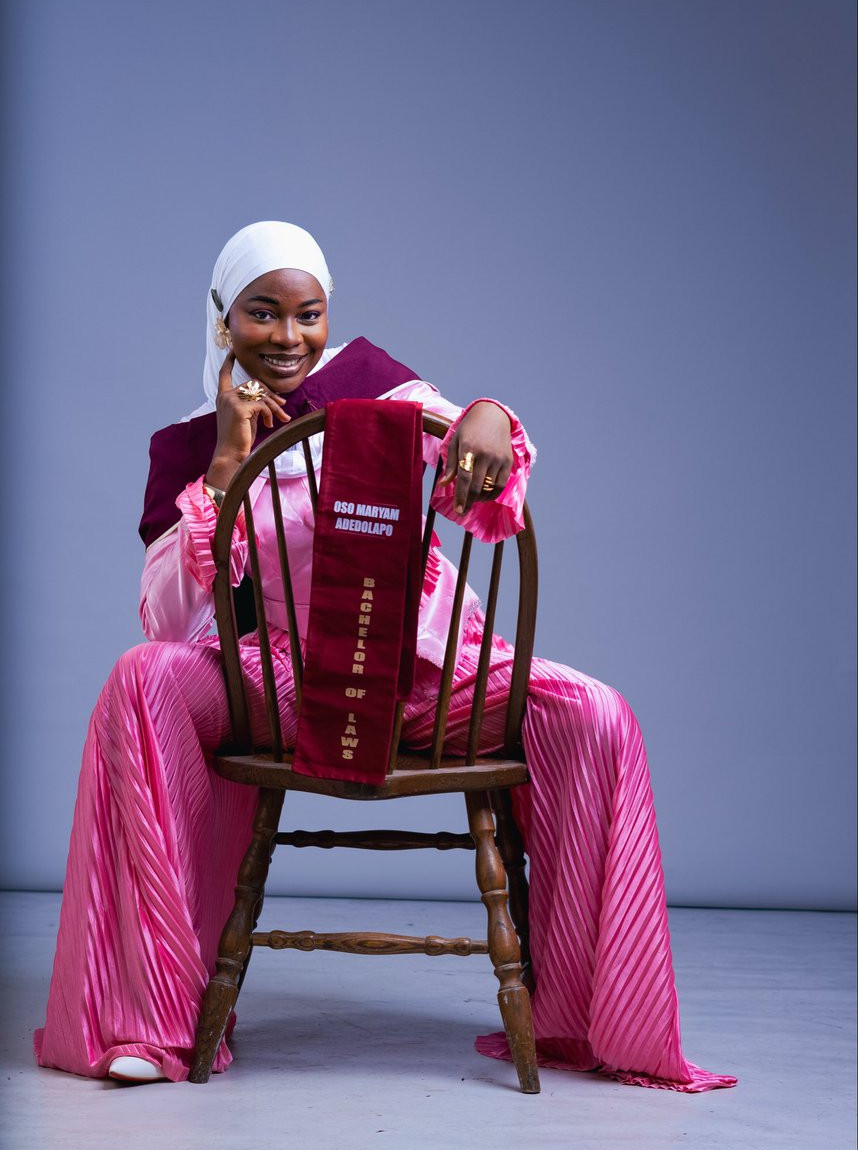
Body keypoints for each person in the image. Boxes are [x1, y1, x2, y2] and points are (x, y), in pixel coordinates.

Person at [35, 222, 735, 1092]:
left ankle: (596, 1017)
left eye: (308, 314)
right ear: (223, 319)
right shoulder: (184, 444)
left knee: (596, 714)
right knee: (140, 680)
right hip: (283, 684)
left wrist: (486, 415)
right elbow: (170, 619)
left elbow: (475, 467)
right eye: (262, 313)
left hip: (422, 677)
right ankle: (147, 1019)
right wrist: (225, 464)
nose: (288, 337)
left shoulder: (374, 385)